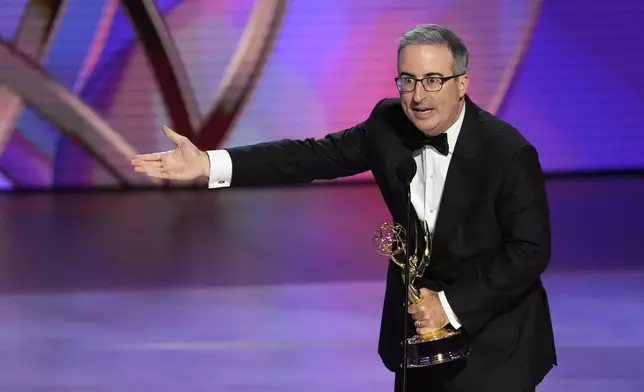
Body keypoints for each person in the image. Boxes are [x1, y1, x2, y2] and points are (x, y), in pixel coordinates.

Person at [131, 24, 557, 392]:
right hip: (416, 338)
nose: (418, 95)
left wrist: (448, 306)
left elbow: (530, 252)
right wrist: (209, 163)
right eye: (407, 80)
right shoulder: (387, 125)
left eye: (433, 80)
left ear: (462, 84)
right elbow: (309, 156)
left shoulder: (508, 152)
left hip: (495, 341)